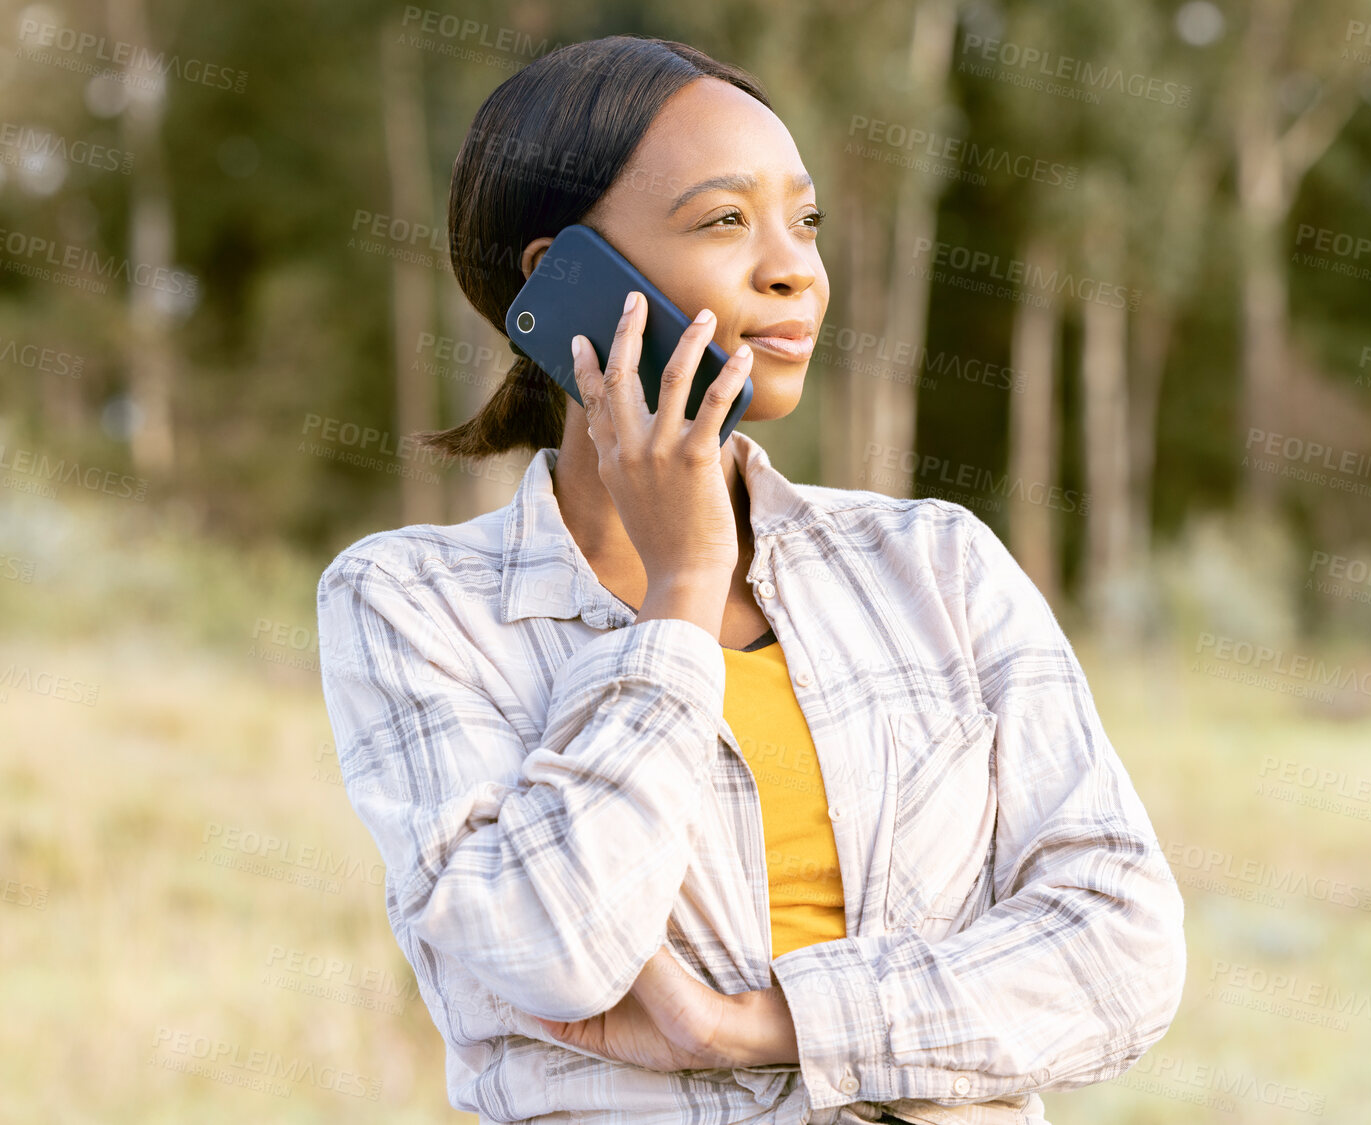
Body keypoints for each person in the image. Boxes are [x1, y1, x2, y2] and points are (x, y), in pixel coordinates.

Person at [316, 34, 1186, 1125]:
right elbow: (548, 953)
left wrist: (755, 1025)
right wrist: (681, 594)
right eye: (726, 220)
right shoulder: (413, 602)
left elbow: (1124, 949)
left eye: (804, 222)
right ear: (564, 281)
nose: (795, 269)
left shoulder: (936, 566)